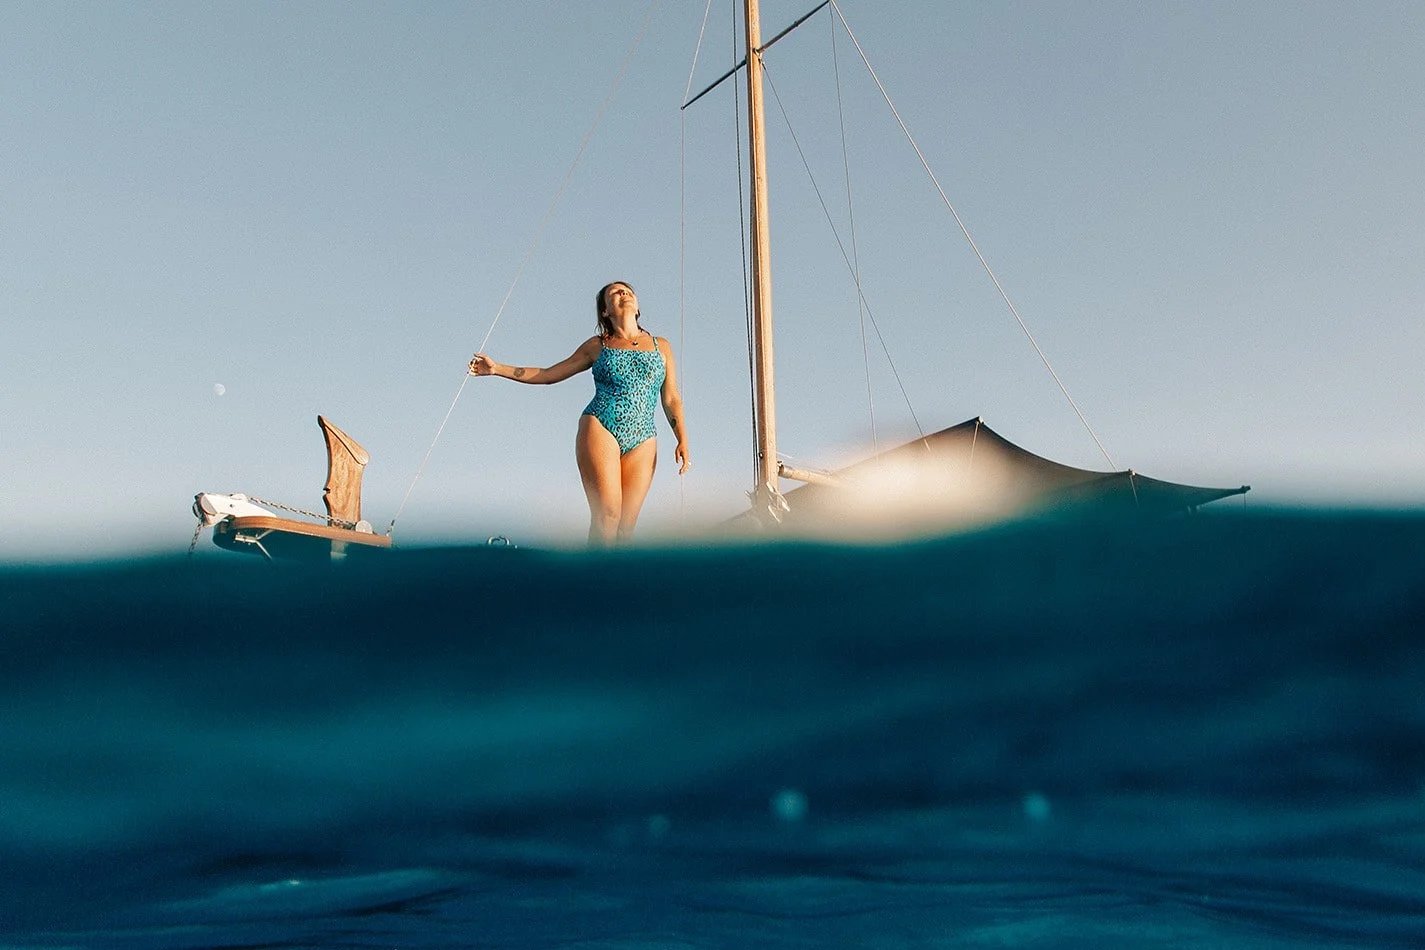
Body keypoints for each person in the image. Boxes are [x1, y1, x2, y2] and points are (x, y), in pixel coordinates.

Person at [469, 281, 690, 545]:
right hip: (601, 425)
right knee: (607, 516)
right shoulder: (597, 346)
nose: (623, 293)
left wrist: (682, 438)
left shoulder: (661, 346)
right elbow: (548, 374)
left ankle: (617, 573)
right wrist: (496, 369)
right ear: (605, 311)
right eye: (615, 293)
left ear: (638, 306)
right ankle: (593, 571)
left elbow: (671, 397)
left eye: (628, 291)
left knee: (626, 529)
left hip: (644, 436)